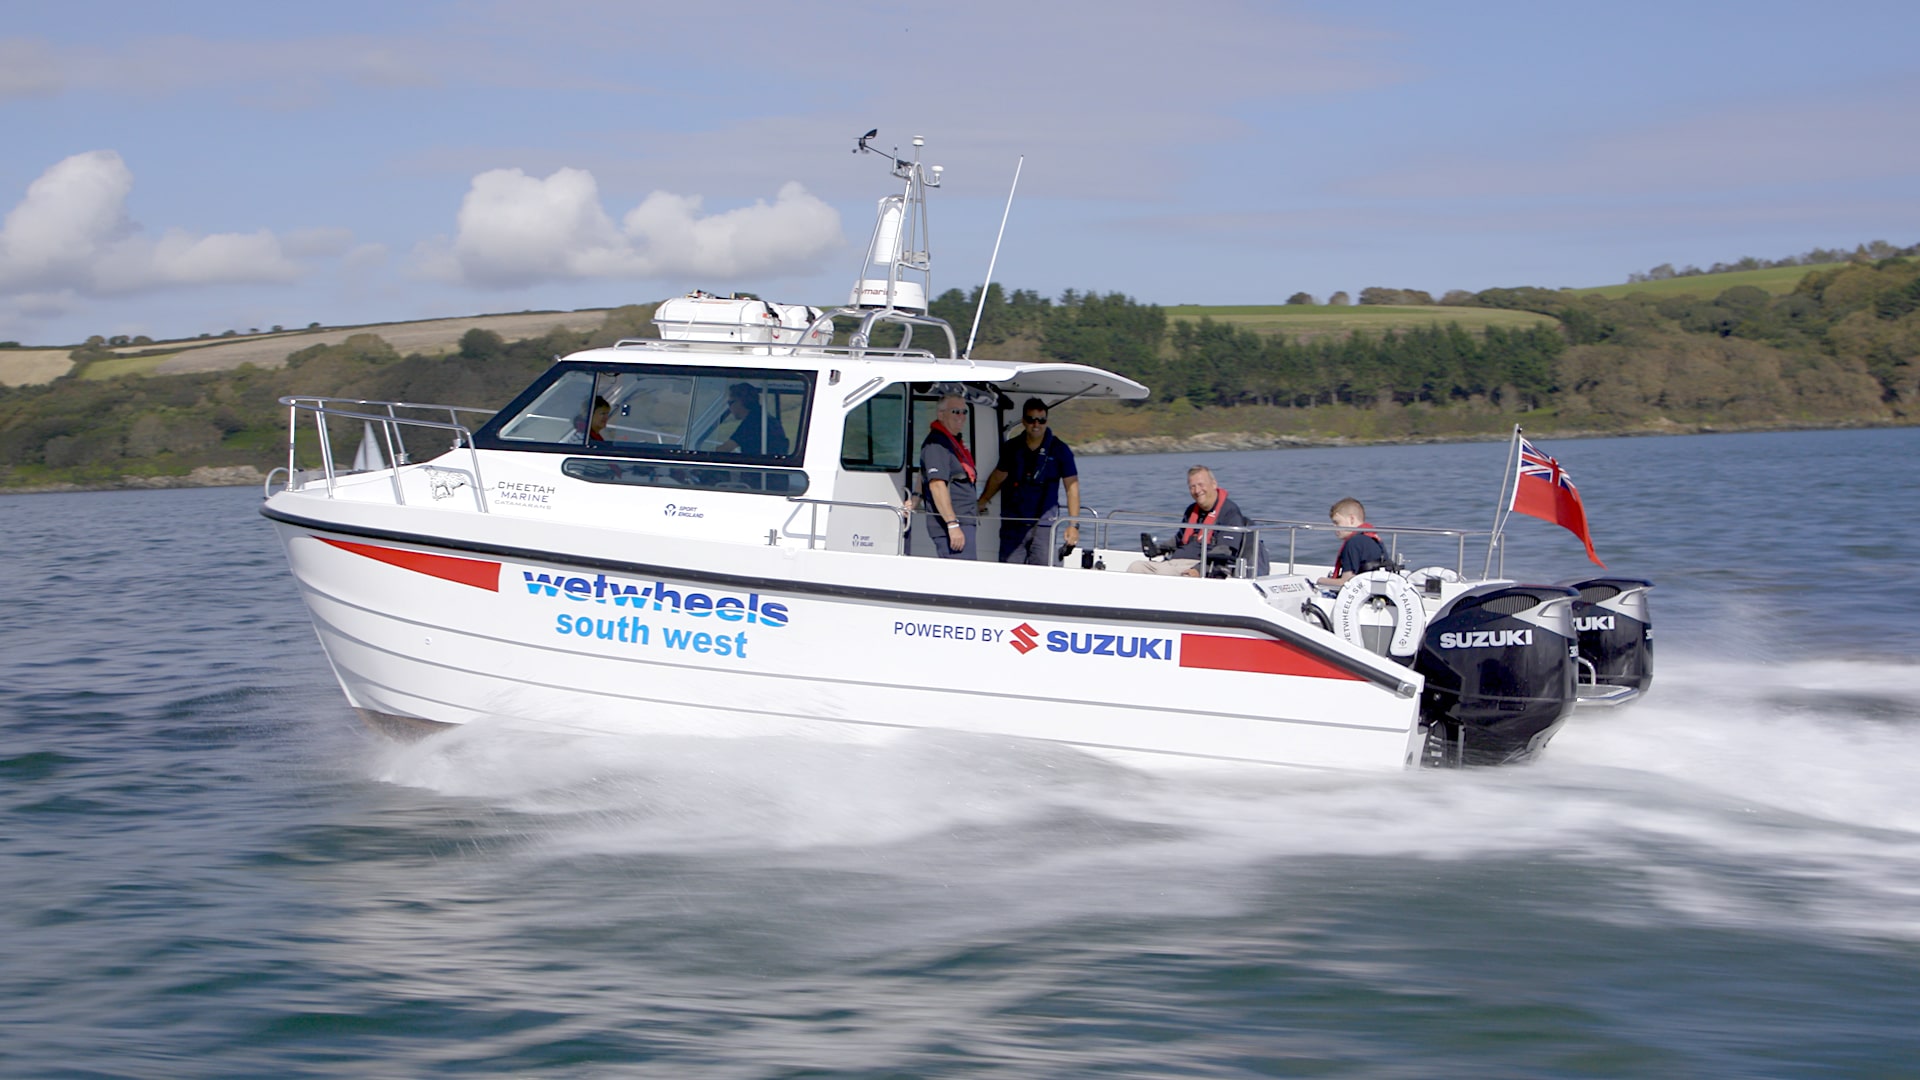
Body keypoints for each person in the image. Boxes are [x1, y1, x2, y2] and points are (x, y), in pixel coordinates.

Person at [975, 398, 1081, 564]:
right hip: (1013, 523)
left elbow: (1072, 488)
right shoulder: (1011, 447)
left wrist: (1073, 525)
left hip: (1044, 526)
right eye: (1031, 420)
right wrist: (982, 501)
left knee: (1043, 574)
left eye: (1041, 420)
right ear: (1024, 421)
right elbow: (998, 477)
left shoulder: (1060, 449)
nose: (1036, 424)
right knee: (1010, 573)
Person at [1128, 465, 1247, 577]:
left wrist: (1199, 570)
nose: (1197, 490)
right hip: (1174, 562)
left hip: (1199, 565)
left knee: (1164, 572)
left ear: (1214, 484)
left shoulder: (1229, 512)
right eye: (1192, 487)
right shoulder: (1191, 511)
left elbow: (1225, 552)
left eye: (1201, 485)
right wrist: (1157, 549)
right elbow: (1179, 539)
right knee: (1136, 567)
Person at [919, 395, 978, 558]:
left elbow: (921, 472)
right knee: (961, 578)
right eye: (955, 411)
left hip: (964, 520)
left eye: (964, 412)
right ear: (941, 414)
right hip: (952, 525)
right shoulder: (936, 444)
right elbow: (936, 484)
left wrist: (916, 497)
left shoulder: (951, 442)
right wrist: (952, 525)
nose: (961, 416)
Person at [1317, 497, 1388, 587]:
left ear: (1351, 519)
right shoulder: (1375, 540)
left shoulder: (1352, 544)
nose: (1334, 527)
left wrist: (1320, 581)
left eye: (1337, 522)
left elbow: (1346, 583)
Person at [717, 382, 788, 457]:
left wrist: (706, 454)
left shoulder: (752, 423)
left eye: (730, 403)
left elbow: (725, 449)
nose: (729, 407)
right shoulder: (764, 418)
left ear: (742, 401)